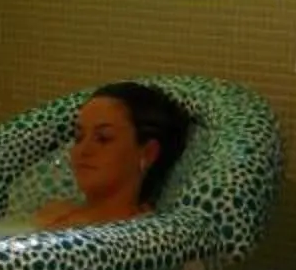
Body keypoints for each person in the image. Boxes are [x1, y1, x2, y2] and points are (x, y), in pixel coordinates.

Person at [35, 83, 191, 230]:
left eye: (103, 138)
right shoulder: (53, 213)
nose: (82, 150)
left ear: (148, 153)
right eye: (79, 137)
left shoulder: (147, 240)